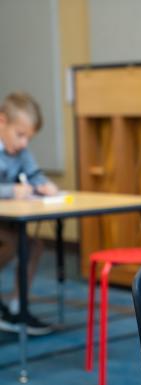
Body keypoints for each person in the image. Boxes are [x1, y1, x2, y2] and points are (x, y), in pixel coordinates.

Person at [0, 92, 58, 335]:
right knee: (13, 243)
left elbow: (34, 175)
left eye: (28, 138)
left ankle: (16, 304)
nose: (24, 143)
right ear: (2, 122)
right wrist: (11, 190)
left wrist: (45, 185)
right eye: (20, 135)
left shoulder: (21, 152)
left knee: (34, 246)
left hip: (7, 220)